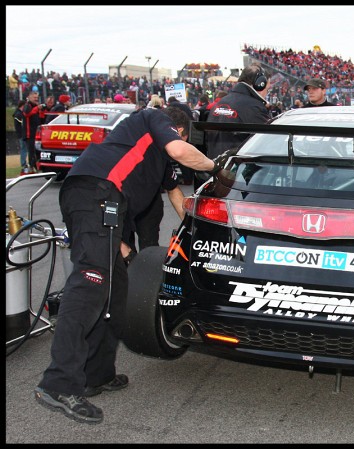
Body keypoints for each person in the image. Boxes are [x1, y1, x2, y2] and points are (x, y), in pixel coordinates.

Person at [34, 106, 217, 425]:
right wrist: (217, 167)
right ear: (180, 131)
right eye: (183, 138)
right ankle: (58, 383)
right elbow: (180, 151)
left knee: (117, 292)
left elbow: (176, 196)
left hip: (105, 204)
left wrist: (197, 232)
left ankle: (96, 375)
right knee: (89, 286)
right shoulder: (153, 119)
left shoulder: (156, 160)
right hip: (94, 192)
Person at [166, 96, 195, 185]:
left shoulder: (170, 109)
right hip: (190, 130)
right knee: (189, 154)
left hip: (179, 131)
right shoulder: (184, 106)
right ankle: (191, 176)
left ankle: (187, 178)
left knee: (181, 156)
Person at [22, 90, 43, 173]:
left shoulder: (35, 106)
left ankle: (36, 166)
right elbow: (27, 114)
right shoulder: (27, 105)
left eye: (37, 98)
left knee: (36, 150)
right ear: (29, 97)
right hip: (29, 133)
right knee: (31, 151)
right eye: (34, 97)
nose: (36, 99)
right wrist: (37, 108)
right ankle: (31, 166)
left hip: (36, 133)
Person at [13, 100, 30, 174]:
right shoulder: (18, 114)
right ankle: (24, 164)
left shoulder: (18, 114)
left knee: (24, 149)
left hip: (21, 134)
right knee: (24, 149)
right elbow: (22, 124)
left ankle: (25, 163)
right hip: (22, 135)